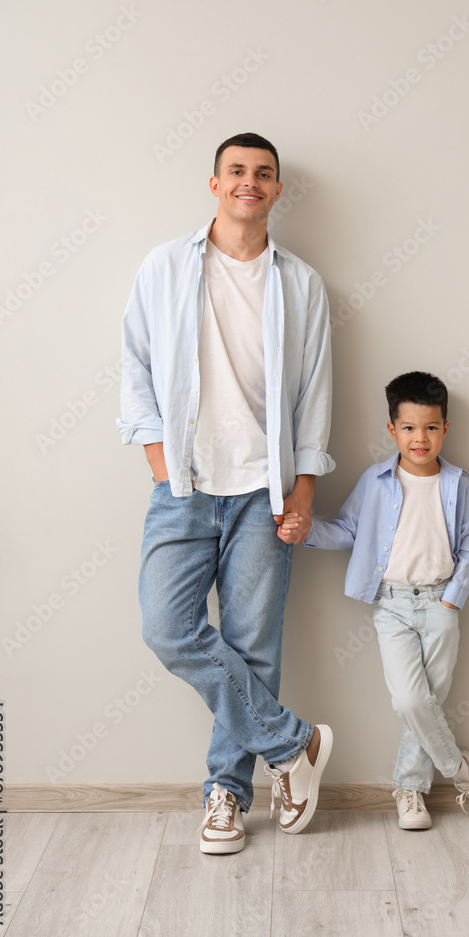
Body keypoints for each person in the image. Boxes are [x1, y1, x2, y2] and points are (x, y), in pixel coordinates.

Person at [117, 132, 334, 854]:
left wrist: (301, 491)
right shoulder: (164, 267)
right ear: (214, 184)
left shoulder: (300, 283)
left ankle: (226, 794)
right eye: (236, 171)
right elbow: (136, 364)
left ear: (276, 191)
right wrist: (157, 458)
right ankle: (292, 745)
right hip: (183, 484)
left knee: (251, 645)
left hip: (264, 492)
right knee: (166, 628)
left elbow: (314, 395)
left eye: (263, 174)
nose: (250, 182)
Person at [281, 371, 469, 829]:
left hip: (443, 605)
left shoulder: (458, 484)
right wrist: (305, 531)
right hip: (392, 606)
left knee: (427, 703)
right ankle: (462, 772)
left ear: (445, 428)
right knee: (410, 700)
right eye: (408, 427)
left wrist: (451, 604)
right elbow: (346, 530)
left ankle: (409, 791)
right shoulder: (376, 481)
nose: (419, 438)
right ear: (392, 430)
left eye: (429, 427)